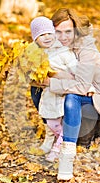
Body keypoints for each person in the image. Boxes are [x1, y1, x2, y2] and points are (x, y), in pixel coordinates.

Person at [37, 8, 100, 180]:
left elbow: (82, 87)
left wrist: (51, 82)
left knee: (71, 98)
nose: (63, 37)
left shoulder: (86, 50)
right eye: (58, 32)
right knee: (36, 87)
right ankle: (55, 131)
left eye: (68, 32)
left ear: (76, 30)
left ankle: (67, 156)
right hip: (83, 91)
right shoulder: (58, 46)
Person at [30, 16, 78, 162]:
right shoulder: (37, 54)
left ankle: (59, 145)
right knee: (48, 114)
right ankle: (50, 139)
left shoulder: (62, 51)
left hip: (62, 88)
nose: (46, 37)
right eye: (41, 35)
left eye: (49, 33)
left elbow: (75, 70)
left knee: (59, 117)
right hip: (48, 91)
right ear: (35, 39)